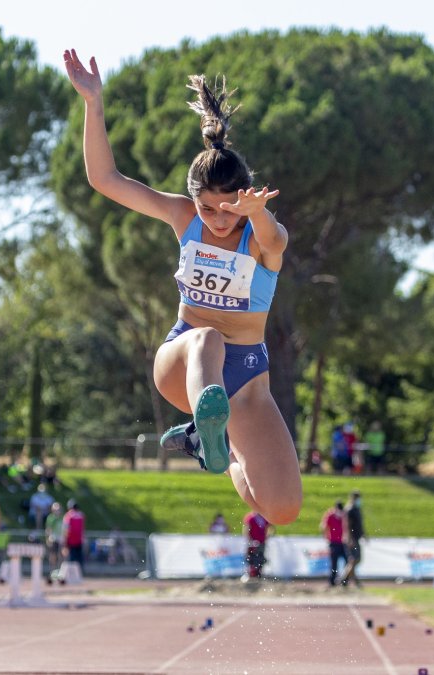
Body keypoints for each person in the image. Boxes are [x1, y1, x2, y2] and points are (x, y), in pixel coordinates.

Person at [65, 50, 301, 525]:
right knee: (209, 338)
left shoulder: (260, 238)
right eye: (206, 209)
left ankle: (211, 445)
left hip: (248, 379)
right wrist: (94, 103)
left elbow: (279, 238)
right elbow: (104, 179)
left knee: (283, 509)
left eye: (227, 209)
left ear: (243, 199)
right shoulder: (184, 217)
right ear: (194, 201)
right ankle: (203, 420)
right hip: (184, 359)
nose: (215, 220)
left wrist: (254, 213)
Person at [341, 491, 365, 587]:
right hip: (352, 538)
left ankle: (347, 580)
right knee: (353, 560)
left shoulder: (357, 509)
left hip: (356, 538)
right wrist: (350, 538)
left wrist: (364, 534)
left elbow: (359, 524)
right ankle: (346, 580)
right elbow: (347, 525)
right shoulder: (349, 509)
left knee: (356, 559)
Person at [320, 501, 347, 587]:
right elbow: (324, 527)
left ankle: (345, 581)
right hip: (334, 542)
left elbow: (347, 527)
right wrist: (326, 537)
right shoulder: (330, 515)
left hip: (343, 543)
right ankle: (332, 582)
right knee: (334, 563)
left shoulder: (343, 516)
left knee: (347, 561)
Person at [242, 509, 271, 581]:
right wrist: (249, 539)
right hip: (252, 541)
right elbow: (246, 528)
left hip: (261, 541)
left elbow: (269, 527)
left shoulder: (264, 517)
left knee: (260, 557)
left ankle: (259, 573)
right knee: (251, 557)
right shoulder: (250, 517)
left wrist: (267, 536)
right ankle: (250, 573)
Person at [62, 499, 86, 577]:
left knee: (72, 559)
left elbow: (66, 529)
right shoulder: (81, 515)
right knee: (79, 558)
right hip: (79, 540)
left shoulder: (68, 516)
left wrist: (65, 542)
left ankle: (72, 575)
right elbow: (82, 528)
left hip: (71, 541)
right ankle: (80, 573)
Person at [44, 501, 64, 580]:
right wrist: (48, 538)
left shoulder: (62, 518)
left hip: (60, 539)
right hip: (53, 539)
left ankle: (60, 571)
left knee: (61, 555)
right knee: (53, 556)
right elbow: (48, 529)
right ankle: (52, 571)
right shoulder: (51, 518)